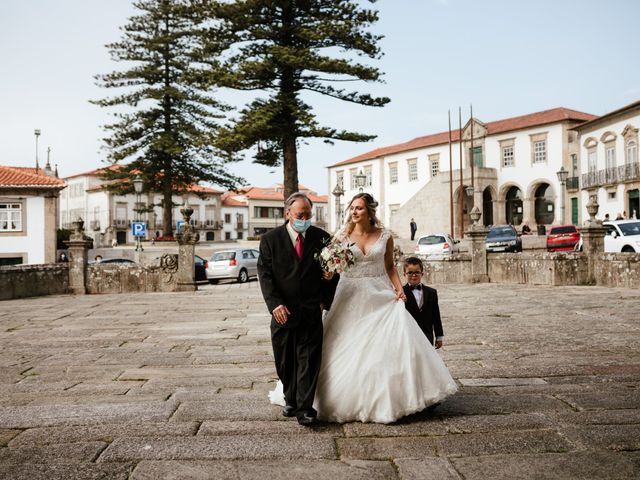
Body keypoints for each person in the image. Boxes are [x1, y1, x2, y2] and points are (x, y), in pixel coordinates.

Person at [271, 192, 457, 424]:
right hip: (348, 293)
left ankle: (406, 393)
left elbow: (389, 267)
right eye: (352, 208)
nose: (354, 212)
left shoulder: (385, 236)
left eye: (359, 208)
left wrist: (399, 289)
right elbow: (327, 264)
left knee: (391, 343)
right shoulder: (341, 236)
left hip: (379, 293)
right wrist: (328, 275)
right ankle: (302, 396)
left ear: (369, 211)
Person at [258, 193, 338, 426]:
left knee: (309, 359)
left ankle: (305, 408)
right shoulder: (270, 240)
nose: (304, 218)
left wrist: (326, 297)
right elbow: (265, 275)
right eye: (300, 215)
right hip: (282, 311)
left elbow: (334, 271)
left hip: (311, 309)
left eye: (308, 214)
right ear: (288, 213)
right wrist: (275, 305)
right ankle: (290, 398)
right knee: (285, 361)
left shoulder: (322, 238)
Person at [402, 256, 444, 349]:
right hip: (408, 335)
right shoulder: (400, 293)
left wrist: (439, 336)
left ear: (422, 274)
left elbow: (436, 316)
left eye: (417, 272)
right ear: (404, 274)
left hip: (427, 335)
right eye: (410, 273)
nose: (414, 275)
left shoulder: (431, 292)